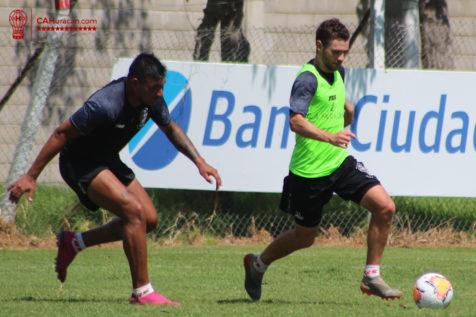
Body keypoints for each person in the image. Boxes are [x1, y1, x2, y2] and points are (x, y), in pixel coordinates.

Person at [8, 53, 222, 306]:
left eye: (162, 86)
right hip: (80, 163)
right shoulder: (105, 105)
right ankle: (142, 292)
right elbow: (61, 133)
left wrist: (199, 162)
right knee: (133, 212)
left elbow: (171, 128)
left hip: (107, 159)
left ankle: (74, 242)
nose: (160, 93)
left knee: (149, 220)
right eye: (155, 87)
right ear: (134, 82)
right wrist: (31, 175)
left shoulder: (152, 99)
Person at [243, 19, 402, 301]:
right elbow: (296, 121)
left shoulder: (338, 71)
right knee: (305, 237)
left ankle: (371, 276)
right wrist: (330, 136)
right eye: (336, 52)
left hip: (339, 163)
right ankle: (257, 264)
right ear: (319, 46)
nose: (341, 58)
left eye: (344, 52)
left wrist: (348, 110)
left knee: (385, 207)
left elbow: (334, 100)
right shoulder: (306, 79)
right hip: (308, 172)